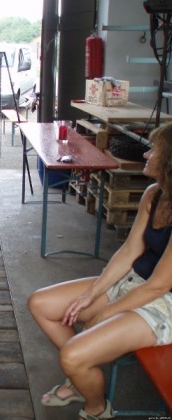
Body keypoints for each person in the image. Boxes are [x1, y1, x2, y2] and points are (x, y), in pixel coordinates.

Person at [28, 123, 172, 420]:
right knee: (41, 304)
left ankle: (96, 408)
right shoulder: (154, 194)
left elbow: (158, 286)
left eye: (155, 150)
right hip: (135, 283)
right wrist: (93, 294)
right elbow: (130, 251)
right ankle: (81, 372)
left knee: (73, 354)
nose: (146, 153)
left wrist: (107, 312)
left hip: (163, 304)